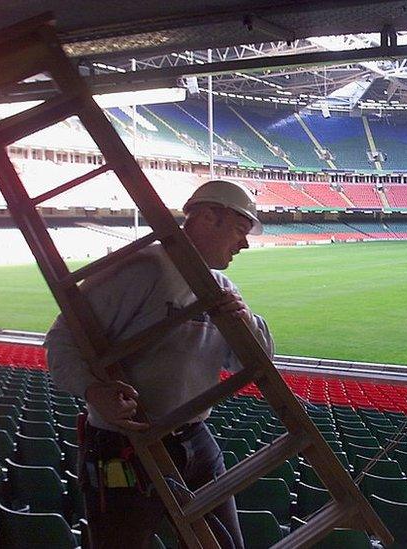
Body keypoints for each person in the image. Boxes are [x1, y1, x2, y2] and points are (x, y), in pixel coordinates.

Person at [45, 179, 274, 548]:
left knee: (225, 544)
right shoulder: (143, 268)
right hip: (124, 443)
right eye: (238, 230)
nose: (245, 244)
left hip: (195, 438)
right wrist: (93, 392)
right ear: (206, 217)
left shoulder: (222, 288)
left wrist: (246, 322)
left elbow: (256, 359)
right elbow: (62, 340)